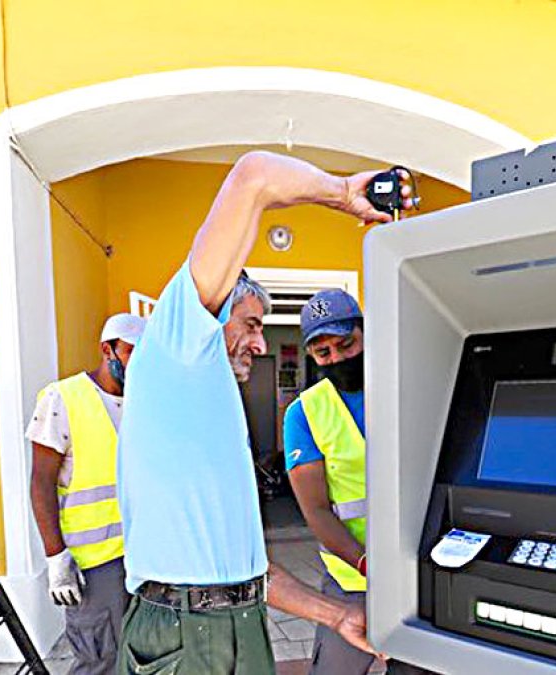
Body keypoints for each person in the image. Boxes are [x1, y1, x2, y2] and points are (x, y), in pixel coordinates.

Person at [116, 151, 413, 674]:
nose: (259, 343)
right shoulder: (174, 344)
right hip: (182, 634)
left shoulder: (211, 412)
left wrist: (337, 615)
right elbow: (254, 175)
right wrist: (343, 194)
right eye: (251, 324)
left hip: (238, 623)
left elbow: (250, 572)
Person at [285, 291, 437, 675]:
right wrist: (368, 564)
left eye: (346, 344)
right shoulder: (304, 413)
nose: (337, 358)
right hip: (351, 579)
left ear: (366, 334)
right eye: (323, 352)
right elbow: (316, 510)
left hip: (420, 574)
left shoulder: (407, 389)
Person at [27, 312, 145, 675]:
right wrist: (55, 557)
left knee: (140, 653)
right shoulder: (63, 397)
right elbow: (41, 482)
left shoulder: (144, 402)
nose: (140, 362)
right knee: (99, 660)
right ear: (107, 350)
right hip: (93, 565)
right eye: (132, 352)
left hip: (142, 555)